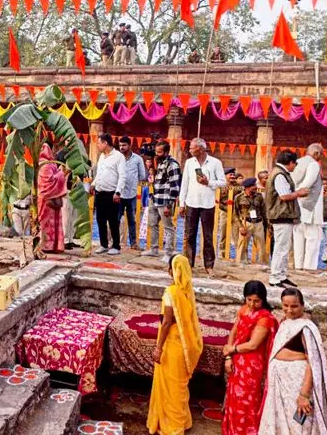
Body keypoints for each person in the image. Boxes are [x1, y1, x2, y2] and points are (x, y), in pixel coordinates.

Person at [259, 288, 327, 435]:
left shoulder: (306, 328)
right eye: (285, 306)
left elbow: (313, 363)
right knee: (281, 422)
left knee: (298, 425)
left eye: (294, 306)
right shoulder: (285, 321)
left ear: (302, 305)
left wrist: (304, 395)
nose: (289, 310)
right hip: (280, 384)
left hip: (296, 384)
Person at [147, 254, 203, 435]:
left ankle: (172, 427)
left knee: (170, 388)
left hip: (172, 346)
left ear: (172, 271)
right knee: (179, 388)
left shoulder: (171, 293)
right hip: (184, 346)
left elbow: (166, 323)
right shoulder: (188, 292)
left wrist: (158, 348)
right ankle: (182, 422)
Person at [221, 281, 278, 435]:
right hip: (237, 361)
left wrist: (231, 350)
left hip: (252, 366)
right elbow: (233, 331)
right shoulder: (244, 310)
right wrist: (228, 358)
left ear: (263, 299)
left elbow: (253, 345)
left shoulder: (265, 318)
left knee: (248, 401)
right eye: (249, 299)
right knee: (234, 398)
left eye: (256, 301)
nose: (252, 304)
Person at [179, 138, 226, 274]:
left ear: (200, 149)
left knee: (208, 236)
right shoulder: (189, 163)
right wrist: (182, 204)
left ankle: (209, 266)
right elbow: (185, 184)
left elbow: (223, 182)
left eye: (191, 148)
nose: (189, 150)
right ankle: (189, 264)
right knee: (189, 235)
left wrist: (209, 182)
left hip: (207, 204)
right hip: (191, 202)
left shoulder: (215, 162)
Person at [265, 151, 309, 288]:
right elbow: (283, 196)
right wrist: (298, 193)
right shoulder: (279, 175)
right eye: (294, 163)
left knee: (284, 247)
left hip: (284, 215)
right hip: (281, 215)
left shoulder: (280, 173)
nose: (295, 166)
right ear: (290, 162)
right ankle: (275, 277)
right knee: (281, 248)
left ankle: (282, 275)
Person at [141, 141, 180, 262]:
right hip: (155, 197)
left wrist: (170, 204)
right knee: (152, 224)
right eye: (156, 151)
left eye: (159, 152)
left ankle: (168, 253)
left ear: (167, 152)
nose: (157, 154)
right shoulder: (159, 163)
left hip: (165, 200)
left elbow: (175, 186)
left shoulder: (172, 165)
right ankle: (154, 249)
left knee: (168, 227)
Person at [91, 133, 127, 255]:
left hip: (112, 193)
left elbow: (122, 176)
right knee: (100, 219)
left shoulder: (118, 157)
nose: (97, 146)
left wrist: (118, 192)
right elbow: (99, 174)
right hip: (100, 192)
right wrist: (93, 184)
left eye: (99, 143)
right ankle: (103, 244)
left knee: (112, 220)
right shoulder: (102, 156)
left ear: (105, 143)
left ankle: (116, 245)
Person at [291, 144, 325, 271]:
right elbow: (308, 183)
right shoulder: (314, 164)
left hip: (297, 207)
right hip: (310, 208)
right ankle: (309, 268)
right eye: (321, 154)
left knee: (298, 240)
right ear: (316, 153)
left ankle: (298, 266)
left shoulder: (298, 162)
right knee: (312, 240)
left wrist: (293, 194)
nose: (321, 157)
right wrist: (298, 192)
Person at [117, 136, 147, 251]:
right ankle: (115, 242)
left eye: (124, 145)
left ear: (129, 146)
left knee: (132, 220)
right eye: (120, 145)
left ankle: (133, 243)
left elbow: (142, 175)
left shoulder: (138, 159)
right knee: (116, 219)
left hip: (132, 194)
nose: (121, 148)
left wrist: (133, 182)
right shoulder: (117, 158)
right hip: (118, 194)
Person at [37, 144, 68, 253]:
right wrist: (61, 173)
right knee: (49, 223)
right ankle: (50, 245)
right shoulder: (47, 165)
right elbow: (48, 181)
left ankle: (47, 245)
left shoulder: (44, 164)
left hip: (45, 199)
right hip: (48, 198)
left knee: (47, 222)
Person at [234, 178, 268, 264]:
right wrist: (240, 227)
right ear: (247, 187)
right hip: (246, 223)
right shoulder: (239, 197)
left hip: (258, 223)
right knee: (242, 244)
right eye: (253, 186)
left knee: (261, 245)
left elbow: (264, 211)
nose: (255, 187)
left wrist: (267, 225)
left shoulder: (259, 197)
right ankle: (240, 263)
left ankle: (262, 263)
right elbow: (235, 214)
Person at [57, 150, 79, 250]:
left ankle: (70, 239)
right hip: (66, 193)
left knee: (73, 218)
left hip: (75, 193)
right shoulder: (61, 168)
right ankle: (65, 240)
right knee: (66, 218)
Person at [218, 167, 240, 260]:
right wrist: (226, 208)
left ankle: (238, 255)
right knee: (223, 233)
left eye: (233, 175)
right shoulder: (221, 186)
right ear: (225, 176)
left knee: (236, 235)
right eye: (230, 175)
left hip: (236, 213)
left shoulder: (239, 187)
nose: (232, 176)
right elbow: (217, 201)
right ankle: (222, 254)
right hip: (224, 212)